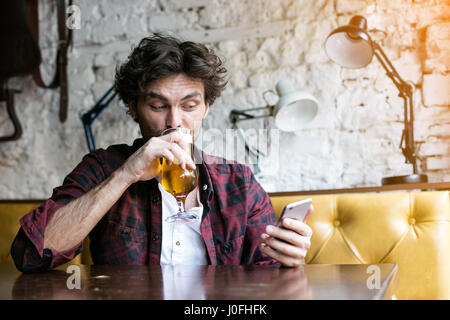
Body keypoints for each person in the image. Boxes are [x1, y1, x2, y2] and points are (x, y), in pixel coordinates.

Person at [11, 34, 313, 273]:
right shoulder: (103, 168)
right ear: (133, 107)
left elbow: (267, 275)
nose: (174, 121)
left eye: (189, 106)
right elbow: (31, 255)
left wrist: (289, 259)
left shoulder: (239, 183)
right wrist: (125, 175)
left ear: (207, 107)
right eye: (158, 106)